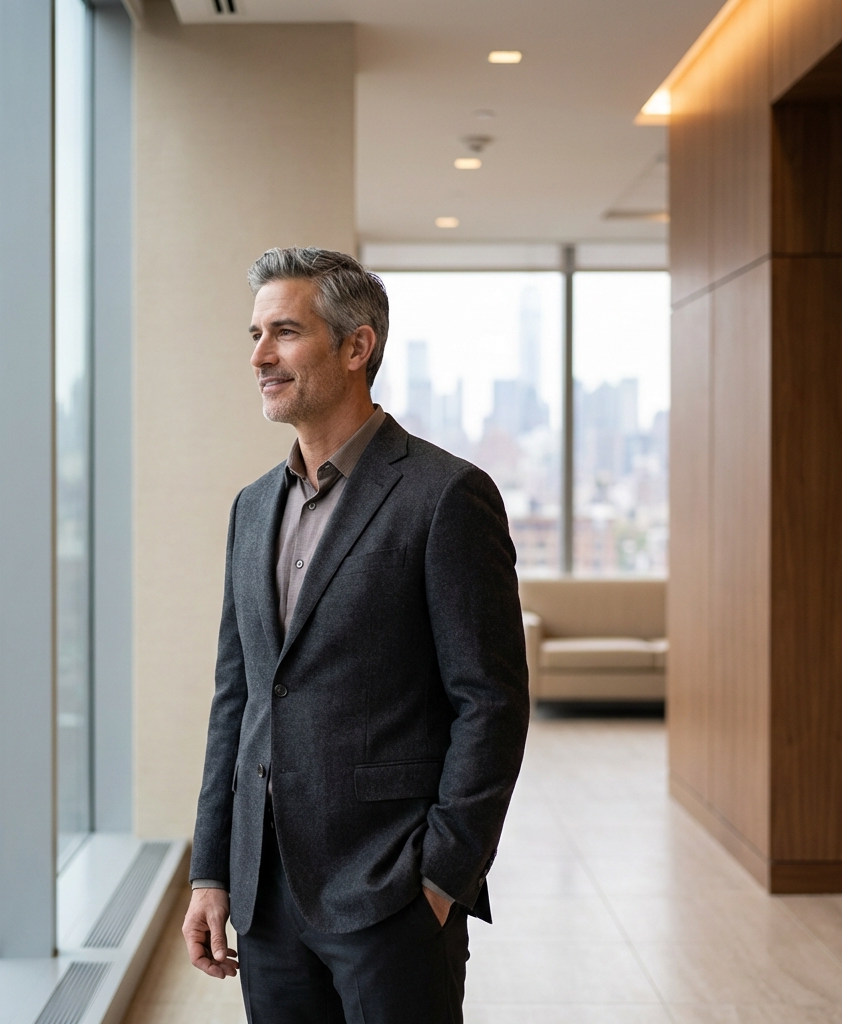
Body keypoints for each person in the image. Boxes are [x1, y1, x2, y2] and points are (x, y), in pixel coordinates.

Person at [182, 247, 530, 1023]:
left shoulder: (446, 496)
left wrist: (440, 878)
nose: (259, 357)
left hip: (391, 892)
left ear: (356, 346)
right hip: (265, 897)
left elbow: (491, 704)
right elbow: (236, 702)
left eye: (284, 332)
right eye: (254, 335)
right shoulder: (251, 508)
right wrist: (213, 872)